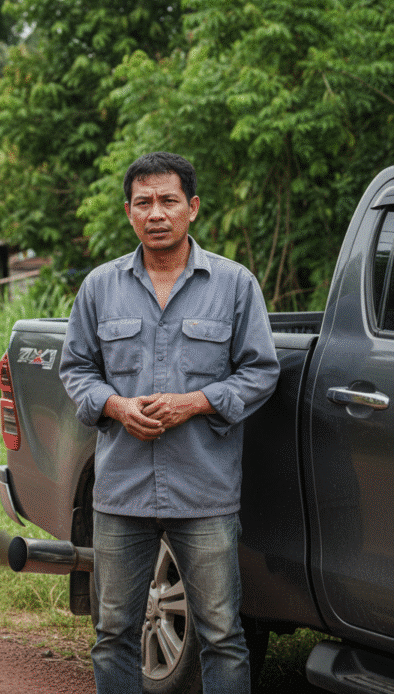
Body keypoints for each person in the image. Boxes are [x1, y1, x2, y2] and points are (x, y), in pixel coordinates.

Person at [59, 152, 280, 694]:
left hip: (204, 492)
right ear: (129, 211)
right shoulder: (99, 287)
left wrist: (196, 402)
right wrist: (117, 407)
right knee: (113, 633)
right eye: (143, 202)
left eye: (168, 201)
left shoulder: (234, 284)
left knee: (223, 636)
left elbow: (261, 371)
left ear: (193, 208)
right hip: (122, 493)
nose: (156, 213)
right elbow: (77, 370)